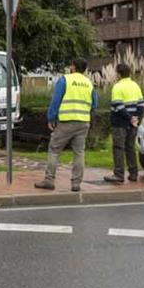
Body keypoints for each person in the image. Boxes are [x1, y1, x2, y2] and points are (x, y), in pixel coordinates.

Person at [35, 58, 98, 192]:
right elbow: (95, 104)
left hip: (66, 122)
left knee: (54, 150)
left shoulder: (65, 80)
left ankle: (49, 180)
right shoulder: (88, 83)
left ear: (74, 67)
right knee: (79, 153)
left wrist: (51, 117)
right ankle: (76, 183)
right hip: (83, 122)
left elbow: (56, 100)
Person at [104, 63, 144, 183]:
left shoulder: (117, 87)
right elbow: (141, 104)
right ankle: (133, 173)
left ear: (118, 74)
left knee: (118, 148)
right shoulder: (135, 86)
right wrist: (135, 118)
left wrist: (128, 118)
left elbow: (118, 105)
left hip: (120, 123)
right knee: (130, 148)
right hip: (133, 123)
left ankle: (119, 174)